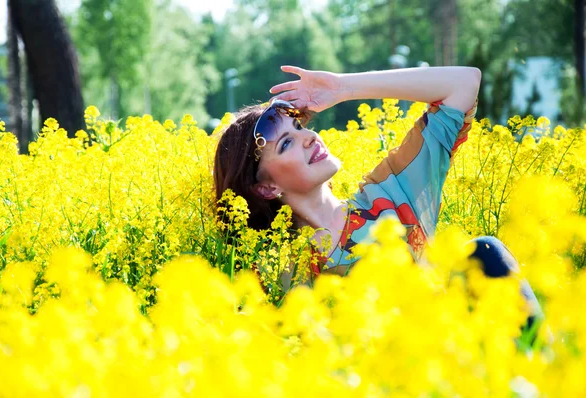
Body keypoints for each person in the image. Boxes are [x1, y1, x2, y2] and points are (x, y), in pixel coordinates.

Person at [213, 65, 542, 329]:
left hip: (451, 365)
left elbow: (463, 82)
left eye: (300, 127)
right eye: (286, 143)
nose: (309, 137)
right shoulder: (279, 273)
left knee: (486, 250)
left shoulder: (389, 193)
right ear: (266, 189)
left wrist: (344, 88)